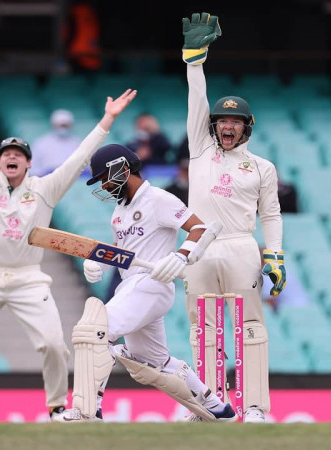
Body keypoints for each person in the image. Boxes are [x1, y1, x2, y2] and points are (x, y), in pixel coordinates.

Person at [0, 89, 138, 424]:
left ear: (29, 162)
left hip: (28, 278)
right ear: (0, 162)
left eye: (18, 154)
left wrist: (108, 120)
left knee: (53, 345)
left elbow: (79, 157)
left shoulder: (45, 189)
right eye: (5, 154)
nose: (11, 158)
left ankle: (58, 406)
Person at [58, 144, 235, 423]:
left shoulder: (157, 198)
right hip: (133, 286)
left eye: (105, 177)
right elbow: (122, 248)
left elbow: (200, 228)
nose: (104, 185)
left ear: (122, 168)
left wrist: (181, 256)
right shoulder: (119, 212)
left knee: (95, 331)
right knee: (154, 362)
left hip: (152, 283)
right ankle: (217, 408)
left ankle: (88, 409)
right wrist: (99, 260)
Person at [180, 12, 284, 423]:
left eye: (235, 122)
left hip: (242, 245)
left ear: (246, 129)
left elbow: (271, 214)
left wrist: (274, 253)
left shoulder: (261, 167)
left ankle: (255, 406)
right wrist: (195, 61)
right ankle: (208, 407)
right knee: (202, 330)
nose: (227, 126)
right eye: (222, 120)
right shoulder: (199, 150)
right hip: (199, 245)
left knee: (251, 326)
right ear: (213, 125)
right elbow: (196, 98)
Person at [30, 109, 84, 176]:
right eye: (61, 125)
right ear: (53, 124)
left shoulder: (77, 142)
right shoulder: (41, 143)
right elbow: (33, 169)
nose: (63, 129)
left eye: (65, 126)